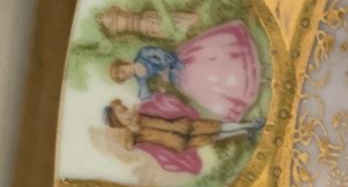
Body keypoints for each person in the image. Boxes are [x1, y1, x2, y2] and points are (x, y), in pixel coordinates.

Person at [108, 20, 262, 122]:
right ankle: (245, 88)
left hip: (183, 61)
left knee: (214, 66)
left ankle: (248, 70)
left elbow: (165, 55)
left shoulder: (144, 54)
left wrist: (164, 74)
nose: (127, 74)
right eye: (125, 76)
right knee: (209, 88)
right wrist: (153, 91)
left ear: (125, 63)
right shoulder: (140, 79)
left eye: (124, 70)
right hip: (180, 80)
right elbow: (145, 96)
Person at [103, 94, 263, 175]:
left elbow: (152, 107)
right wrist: (132, 130)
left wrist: (134, 112)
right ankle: (245, 130)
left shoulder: (137, 114)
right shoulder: (130, 134)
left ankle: (250, 125)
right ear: (119, 122)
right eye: (121, 114)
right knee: (211, 137)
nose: (125, 113)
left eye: (123, 109)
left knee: (215, 127)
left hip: (182, 126)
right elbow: (129, 146)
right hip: (176, 142)